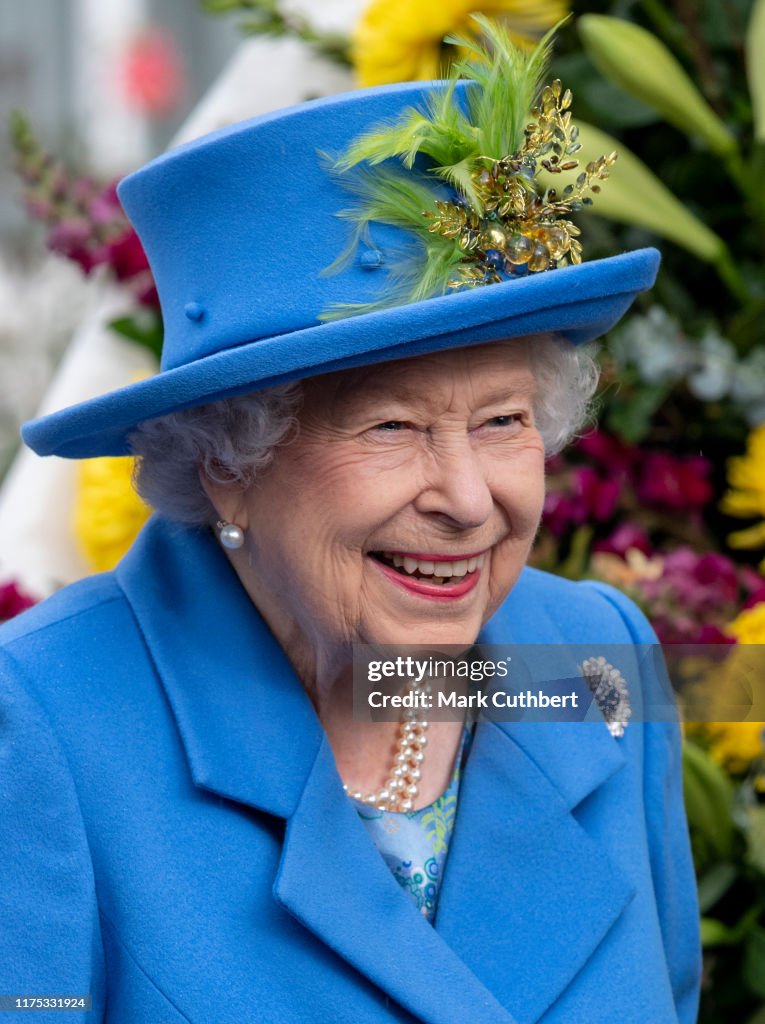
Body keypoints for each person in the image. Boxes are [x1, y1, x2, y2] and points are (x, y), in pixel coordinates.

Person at [1, 22, 700, 1024]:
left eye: (503, 420)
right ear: (226, 463)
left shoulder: (592, 663)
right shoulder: (44, 726)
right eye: (392, 426)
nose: (467, 498)